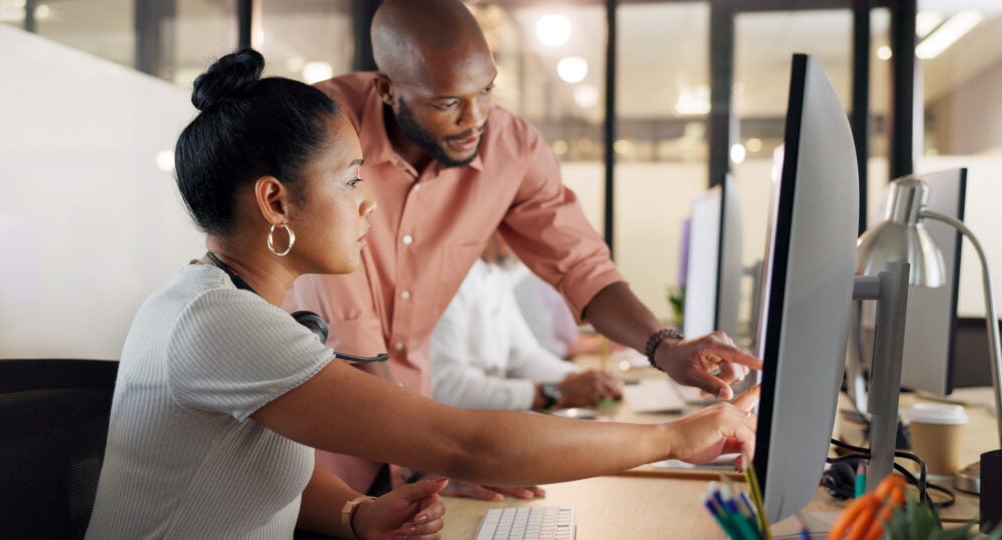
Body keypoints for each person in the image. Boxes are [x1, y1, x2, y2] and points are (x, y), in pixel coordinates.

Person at [85, 49, 760, 539]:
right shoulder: (221, 325)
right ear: (275, 201)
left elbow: (266, 462)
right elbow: (468, 444)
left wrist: (356, 514)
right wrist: (678, 435)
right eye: (352, 180)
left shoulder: (232, 306)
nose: (368, 206)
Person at [283, 0, 761, 498]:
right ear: (387, 90)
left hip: (415, 435)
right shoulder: (324, 130)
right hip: (316, 453)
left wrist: (666, 347)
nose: (476, 120)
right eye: (447, 103)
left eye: (485, 91)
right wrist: (429, 458)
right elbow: (352, 332)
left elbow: (581, 266)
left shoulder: (510, 145)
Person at [431, 234, 622, 410]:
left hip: (488, 416)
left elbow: (526, 356)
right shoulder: (449, 279)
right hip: (458, 424)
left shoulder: (496, 276)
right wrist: (553, 391)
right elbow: (446, 387)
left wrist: (579, 378)